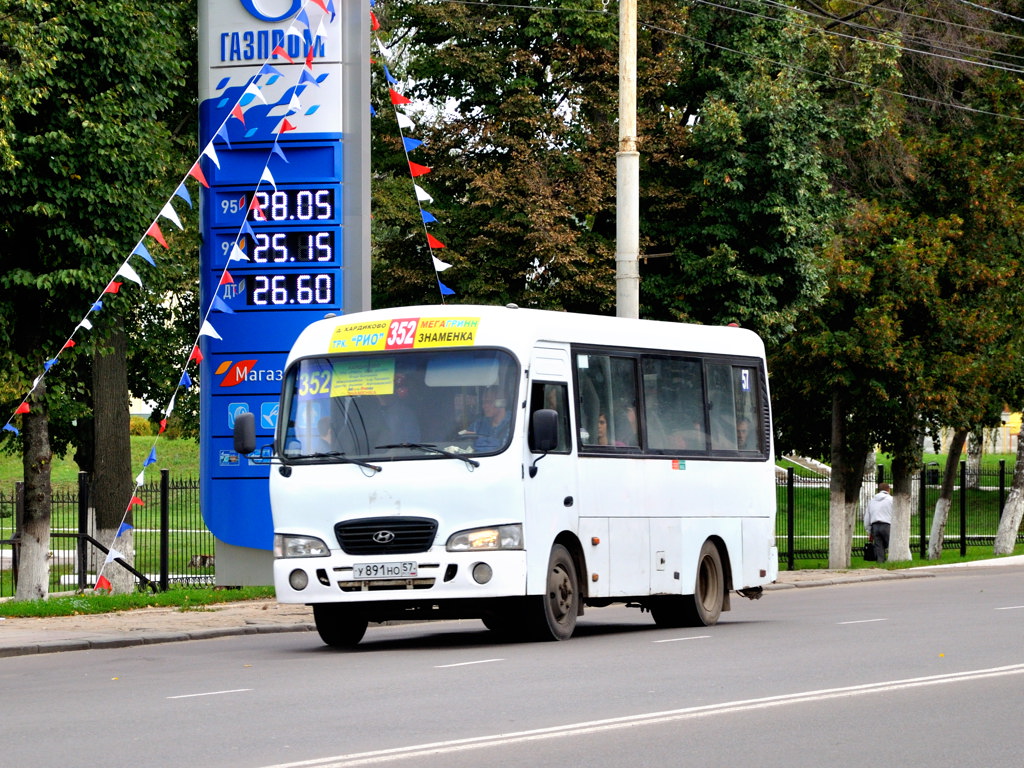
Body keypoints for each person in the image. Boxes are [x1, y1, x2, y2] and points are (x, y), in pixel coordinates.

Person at [463, 387, 511, 451]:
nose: (484, 406)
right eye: (483, 402)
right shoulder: (479, 423)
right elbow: (463, 435)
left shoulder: (513, 424)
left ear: (501, 403)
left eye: (488, 402)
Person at [863, 482, 893, 563]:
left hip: (875, 526)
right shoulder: (891, 500)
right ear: (888, 489)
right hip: (887, 525)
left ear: (878, 490)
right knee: (891, 545)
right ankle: (893, 561)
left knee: (879, 546)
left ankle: (881, 563)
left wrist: (869, 531)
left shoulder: (872, 501)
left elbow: (867, 517)